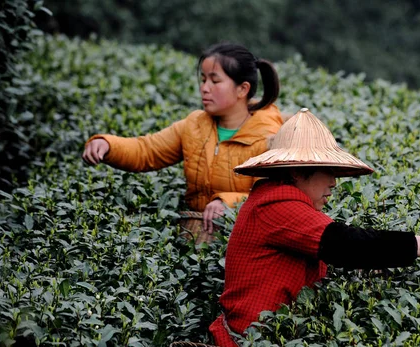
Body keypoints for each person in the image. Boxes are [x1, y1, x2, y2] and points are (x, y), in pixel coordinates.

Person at [209, 108, 420, 347]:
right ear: (296, 171)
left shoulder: (284, 202)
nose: (334, 182)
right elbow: (343, 244)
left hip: (266, 340)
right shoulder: (275, 205)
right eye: (328, 171)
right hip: (248, 346)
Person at [82, 42, 284, 238]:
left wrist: (228, 203)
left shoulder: (269, 137)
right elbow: (147, 150)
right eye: (203, 80)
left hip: (246, 238)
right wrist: (107, 145)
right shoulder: (194, 125)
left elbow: (273, 196)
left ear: (242, 89)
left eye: (215, 81)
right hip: (196, 237)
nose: (205, 88)